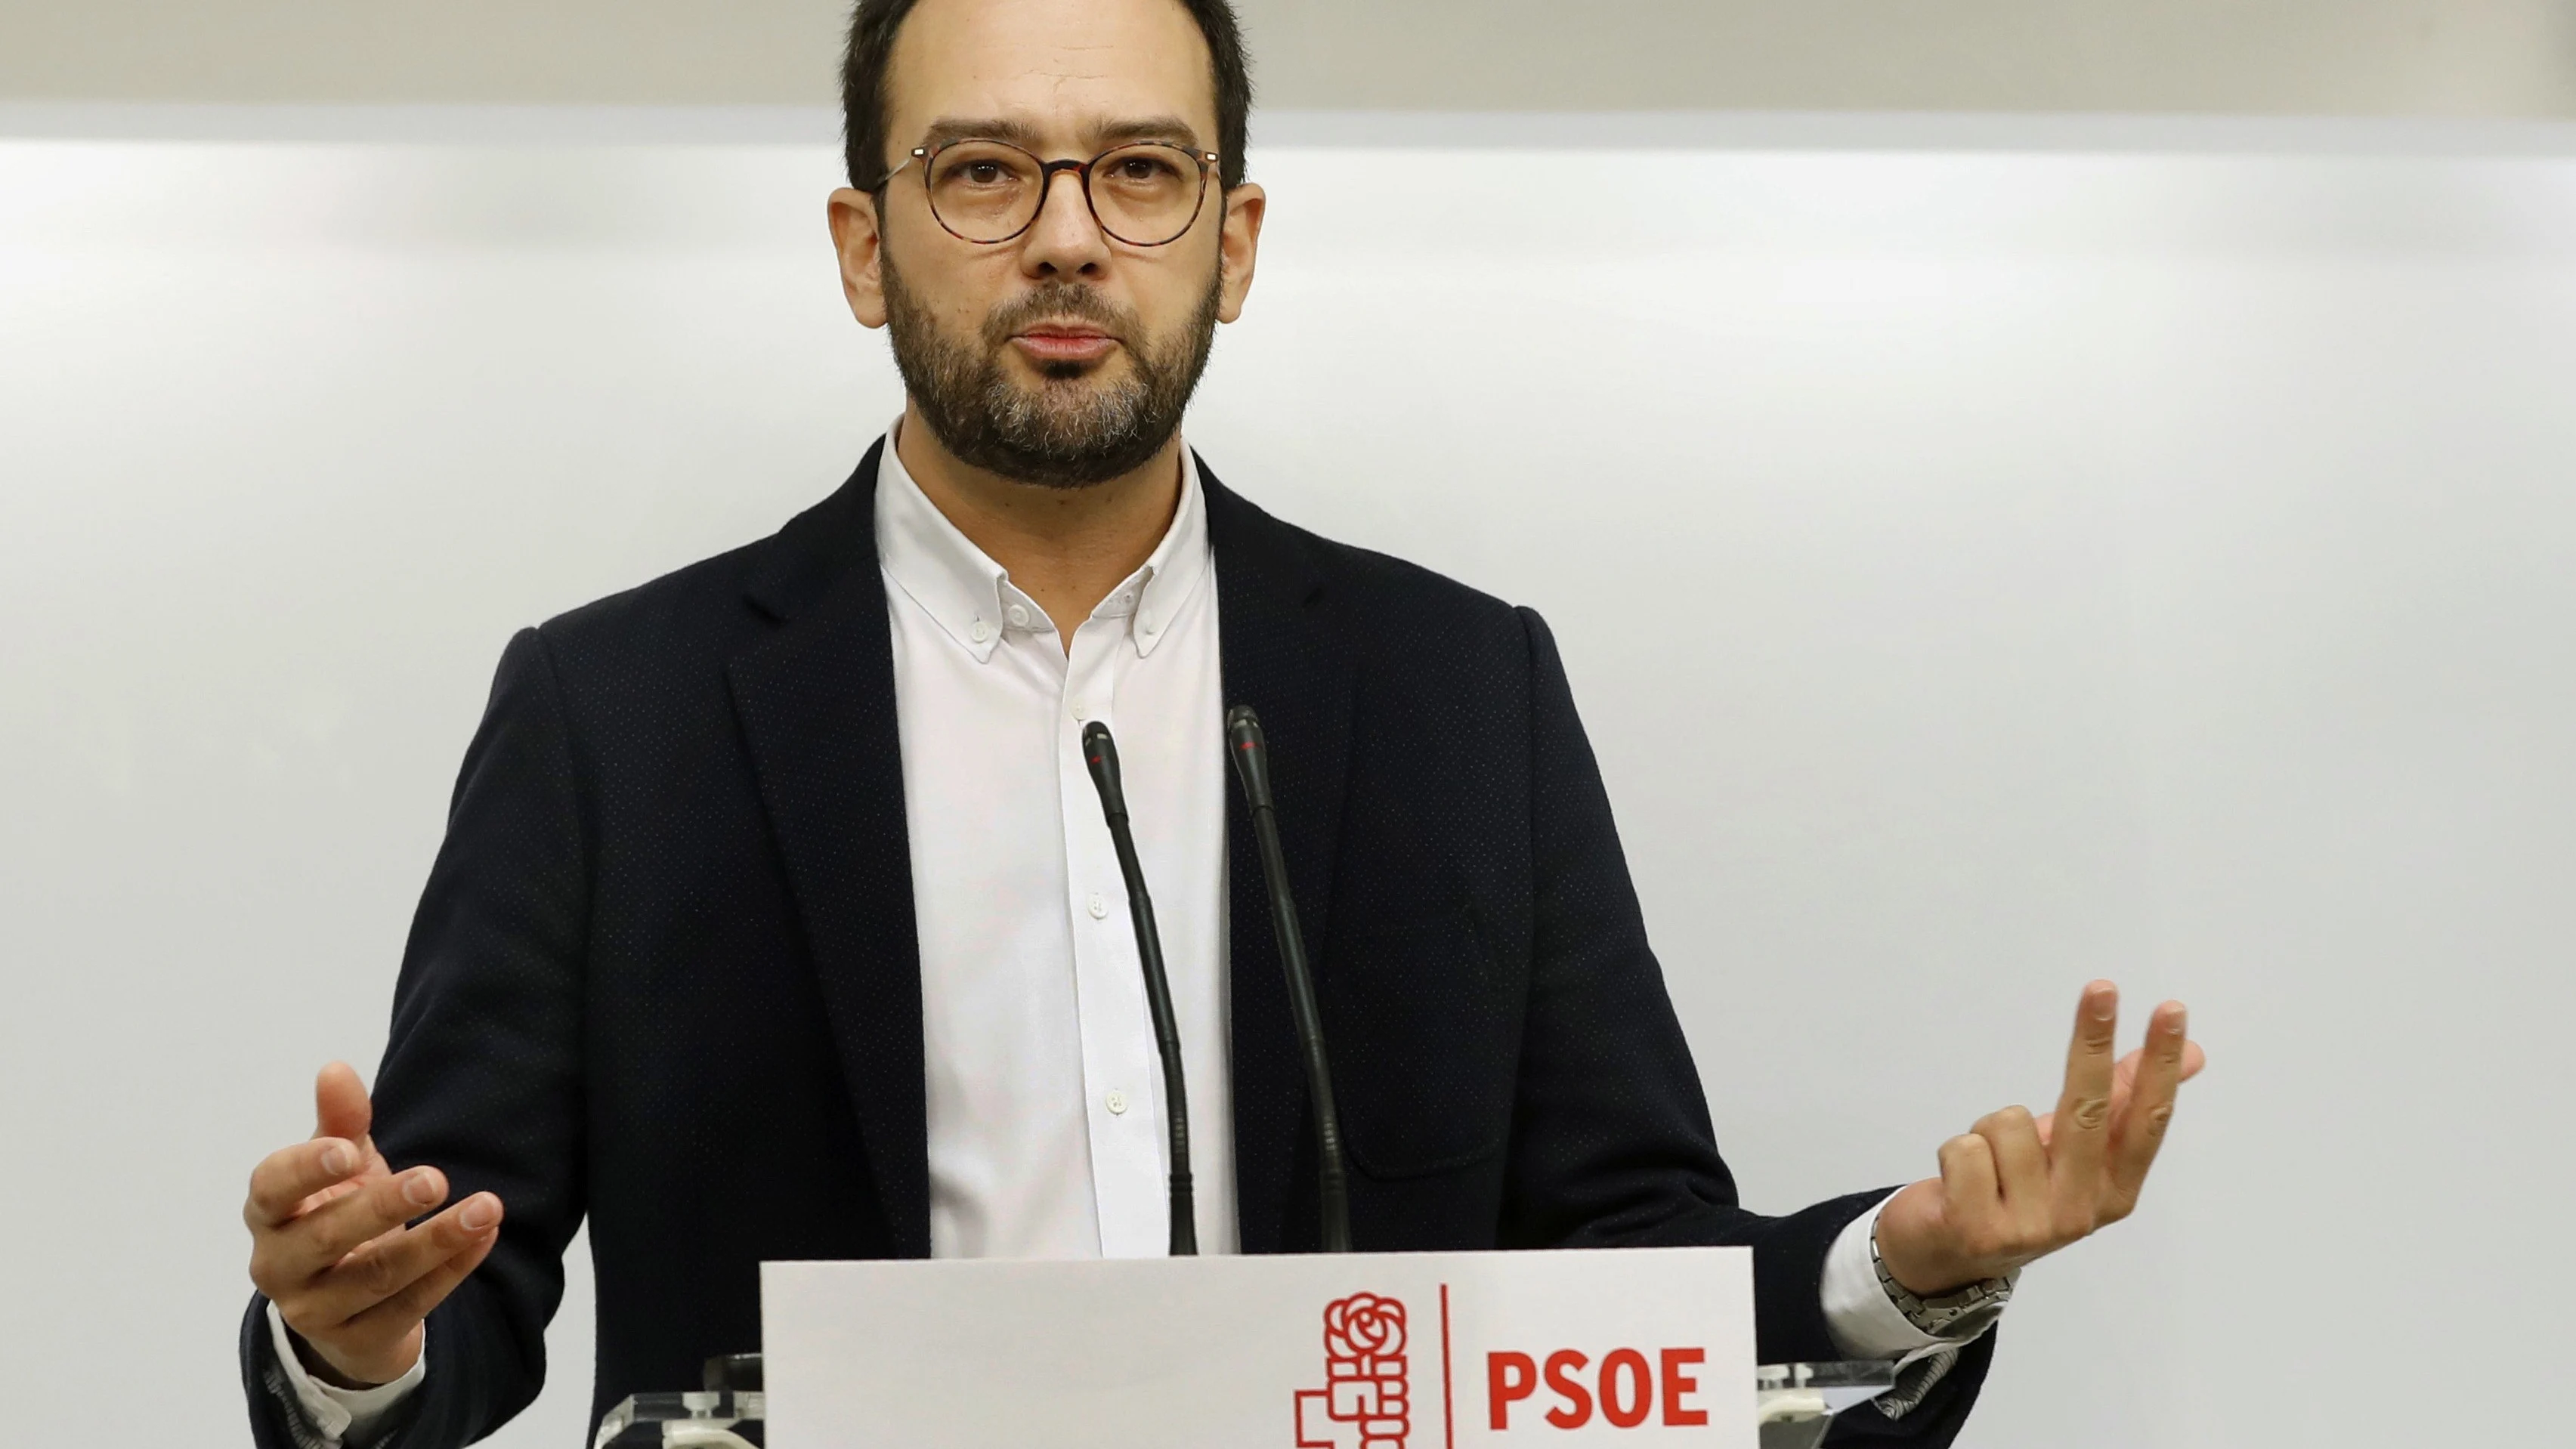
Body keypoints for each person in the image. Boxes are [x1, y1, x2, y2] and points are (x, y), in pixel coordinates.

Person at [237, 1, 2206, 1444]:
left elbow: (1629, 1266)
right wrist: (354, 1334)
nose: (1068, 234)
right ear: (864, 245)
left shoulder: (1455, 691)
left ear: (1234, 242)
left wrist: (1912, 1259)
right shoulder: (620, 712)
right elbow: (455, 1288)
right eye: (986, 169)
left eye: (1141, 170)